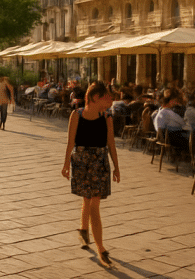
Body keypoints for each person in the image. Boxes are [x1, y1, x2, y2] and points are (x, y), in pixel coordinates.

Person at [61, 81, 120, 269]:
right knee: (90, 199)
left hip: (100, 161)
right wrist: (65, 165)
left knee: (93, 200)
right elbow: (70, 142)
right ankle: (100, 247)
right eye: (107, 97)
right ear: (96, 98)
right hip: (82, 161)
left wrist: (117, 167)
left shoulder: (107, 117)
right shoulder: (76, 115)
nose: (111, 100)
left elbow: (111, 144)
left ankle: (86, 231)